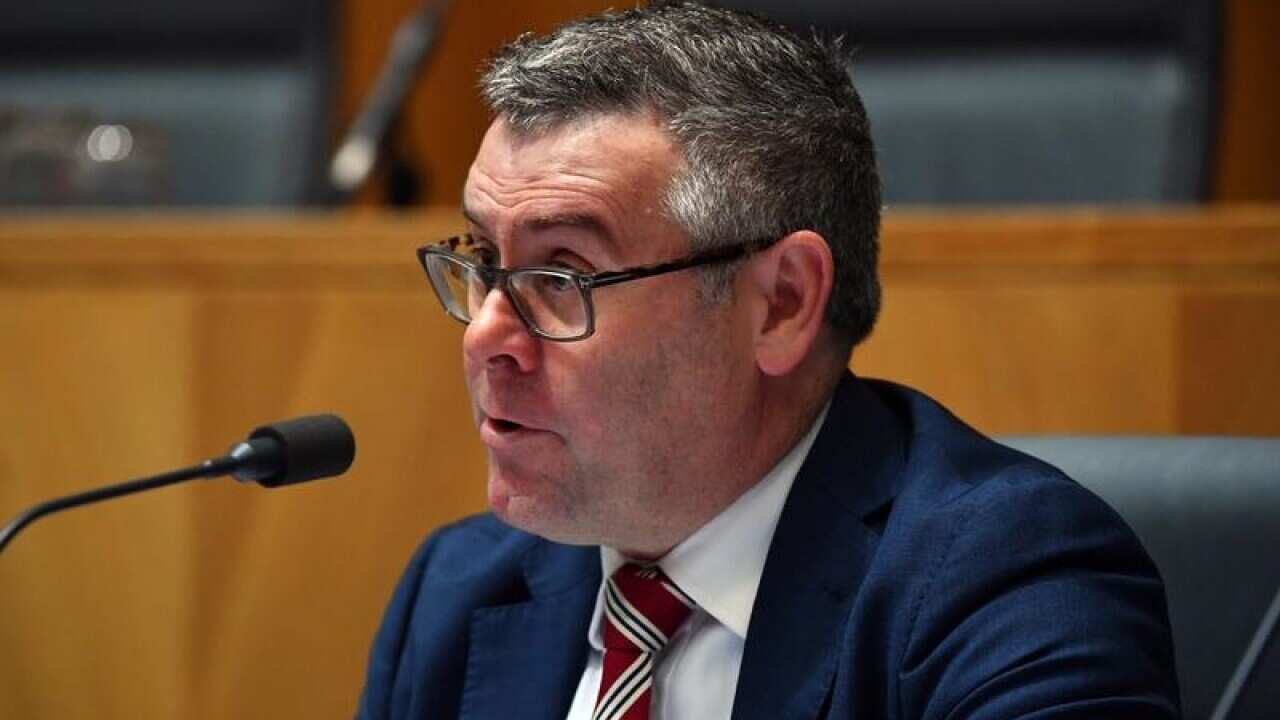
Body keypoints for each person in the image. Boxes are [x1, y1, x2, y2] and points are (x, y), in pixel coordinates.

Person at [357, 3, 1181, 718]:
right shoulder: (459, 591)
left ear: (782, 303)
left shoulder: (1009, 588)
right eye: (483, 259)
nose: (486, 334)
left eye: (563, 276)